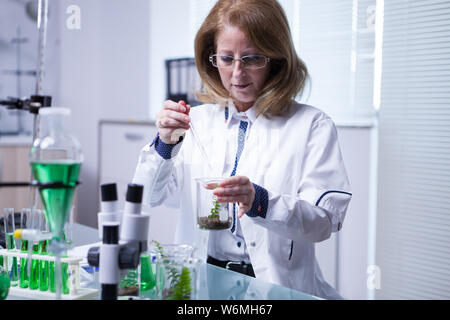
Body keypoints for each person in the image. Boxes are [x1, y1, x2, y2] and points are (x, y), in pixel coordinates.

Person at [133, 0, 352, 299]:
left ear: (276, 58)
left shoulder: (311, 125)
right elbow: (150, 195)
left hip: (275, 289)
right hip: (204, 284)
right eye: (226, 58)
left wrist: (259, 201)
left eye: (251, 59)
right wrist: (165, 144)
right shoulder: (195, 121)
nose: (237, 73)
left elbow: (323, 223)